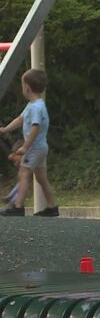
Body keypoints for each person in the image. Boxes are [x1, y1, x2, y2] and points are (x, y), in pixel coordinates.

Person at [0, 69, 58, 217]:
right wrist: (6, 129)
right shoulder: (34, 105)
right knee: (41, 178)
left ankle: (18, 207)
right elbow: (21, 119)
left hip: (34, 148)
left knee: (23, 173)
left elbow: (35, 126)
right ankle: (52, 207)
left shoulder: (36, 107)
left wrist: (25, 146)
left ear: (27, 87)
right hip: (40, 148)